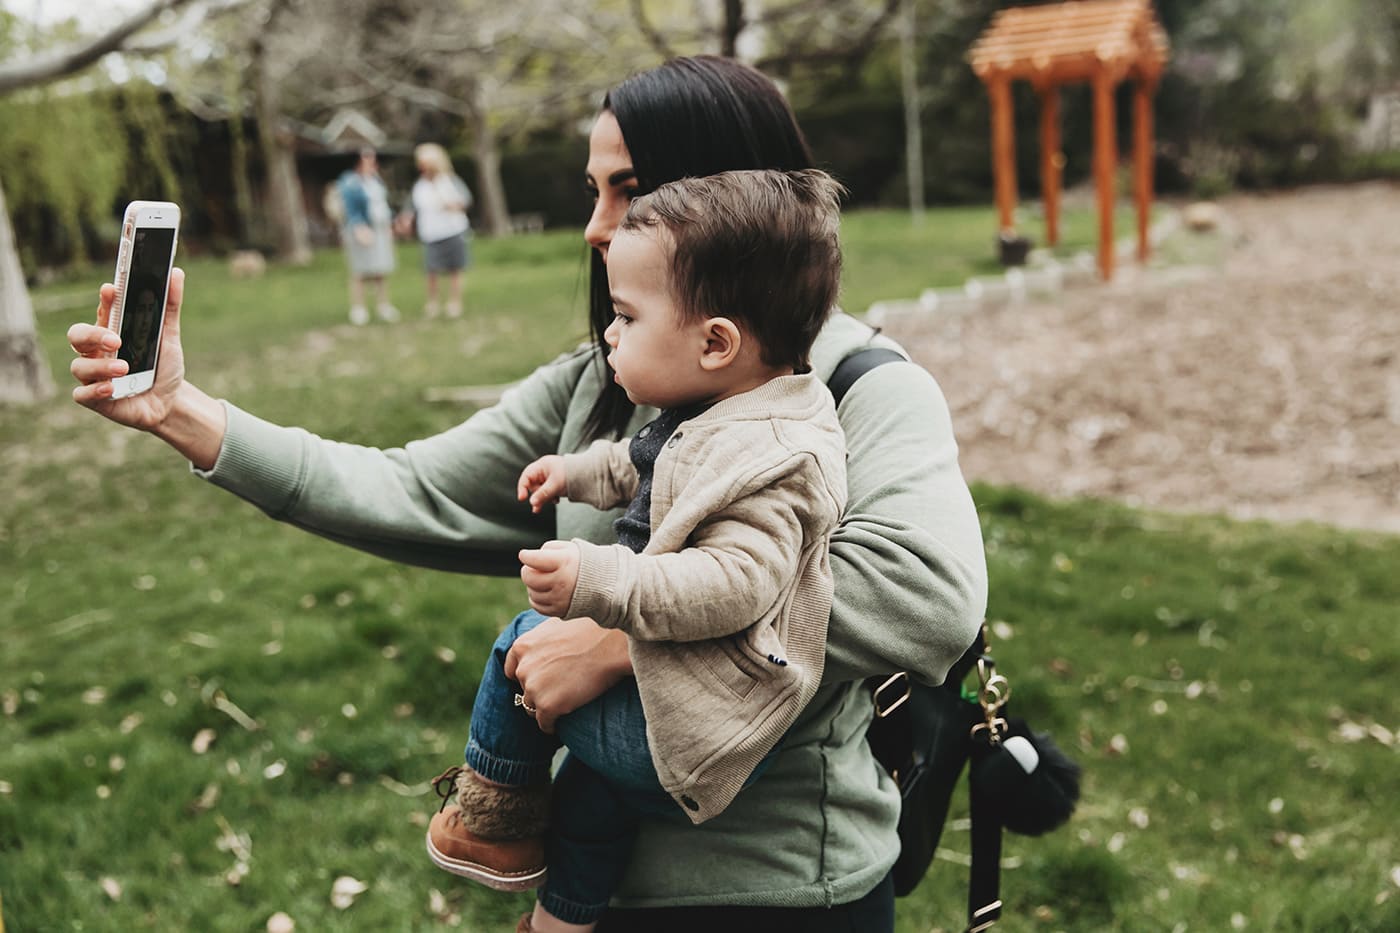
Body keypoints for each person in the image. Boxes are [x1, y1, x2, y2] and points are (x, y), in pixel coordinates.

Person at [67, 55, 987, 932]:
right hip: (598, 889)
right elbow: (410, 487)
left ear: (728, 194)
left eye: (625, 191)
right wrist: (182, 413)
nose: (595, 227)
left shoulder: (859, 388)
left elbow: (928, 598)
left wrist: (626, 637)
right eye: (595, 192)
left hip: (788, 897)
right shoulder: (604, 385)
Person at [427, 168, 849, 933]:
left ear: (715, 342)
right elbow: (645, 468)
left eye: (626, 316)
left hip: (694, 725)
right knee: (590, 792)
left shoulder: (777, 455)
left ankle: (492, 817)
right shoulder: (724, 409)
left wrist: (603, 581)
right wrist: (577, 471)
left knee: (522, 642)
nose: (611, 334)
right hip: (671, 704)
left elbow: (739, 582)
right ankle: (561, 918)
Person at [396, 142, 473, 318]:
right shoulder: (419, 186)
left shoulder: (450, 180)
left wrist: (454, 205)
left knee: (455, 269)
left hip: (453, 230)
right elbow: (410, 207)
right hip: (430, 233)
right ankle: (432, 303)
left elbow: (465, 200)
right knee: (431, 271)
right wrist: (405, 219)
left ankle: (455, 302)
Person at [337, 148, 400, 326]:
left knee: (381, 269)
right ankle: (359, 308)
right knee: (360, 270)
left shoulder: (376, 181)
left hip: (379, 229)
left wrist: (390, 225)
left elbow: (382, 205)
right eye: (368, 159)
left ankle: (383, 305)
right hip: (360, 229)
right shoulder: (350, 182)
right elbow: (350, 208)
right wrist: (359, 227)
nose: (373, 163)